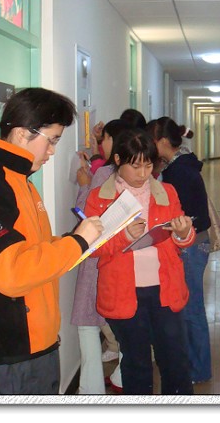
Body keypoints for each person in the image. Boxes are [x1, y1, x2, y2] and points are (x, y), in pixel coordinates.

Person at [0, 87, 104, 394]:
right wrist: (76, 243)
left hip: (38, 341)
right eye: (52, 140)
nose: (53, 152)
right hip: (12, 348)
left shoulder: (20, 181)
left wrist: (79, 240)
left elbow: (35, 250)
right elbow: (13, 273)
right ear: (22, 133)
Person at [84, 128, 195, 395]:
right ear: (118, 160)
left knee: (175, 361)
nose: (143, 174)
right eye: (135, 166)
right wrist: (123, 237)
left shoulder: (166, 192)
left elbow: (182, 239)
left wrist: (183, 233)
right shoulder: (99, 198)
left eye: (148, 165)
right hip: (124, 292)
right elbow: (91, 248)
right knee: (136, 364)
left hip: (164, 288)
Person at [70, 119, 134, 394]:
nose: (102, 144)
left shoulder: (104, 174)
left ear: (113, 142)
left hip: (97, 257)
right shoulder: (132, 174)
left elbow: (86, 215)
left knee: (87, 324)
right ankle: (122, 377)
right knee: (122, 323)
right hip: (122, 257)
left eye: (104, 139)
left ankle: (91, 390)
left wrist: (83, 185)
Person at [148, 116, 212, 384]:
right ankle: (195, 364)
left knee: (191, 307)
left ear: (163, 141)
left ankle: (198, 369)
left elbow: (182, 216)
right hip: (197, 243)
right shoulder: (181, 164)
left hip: (192, 246)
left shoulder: (179, 173)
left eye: (151, 141)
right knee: (190, 306)